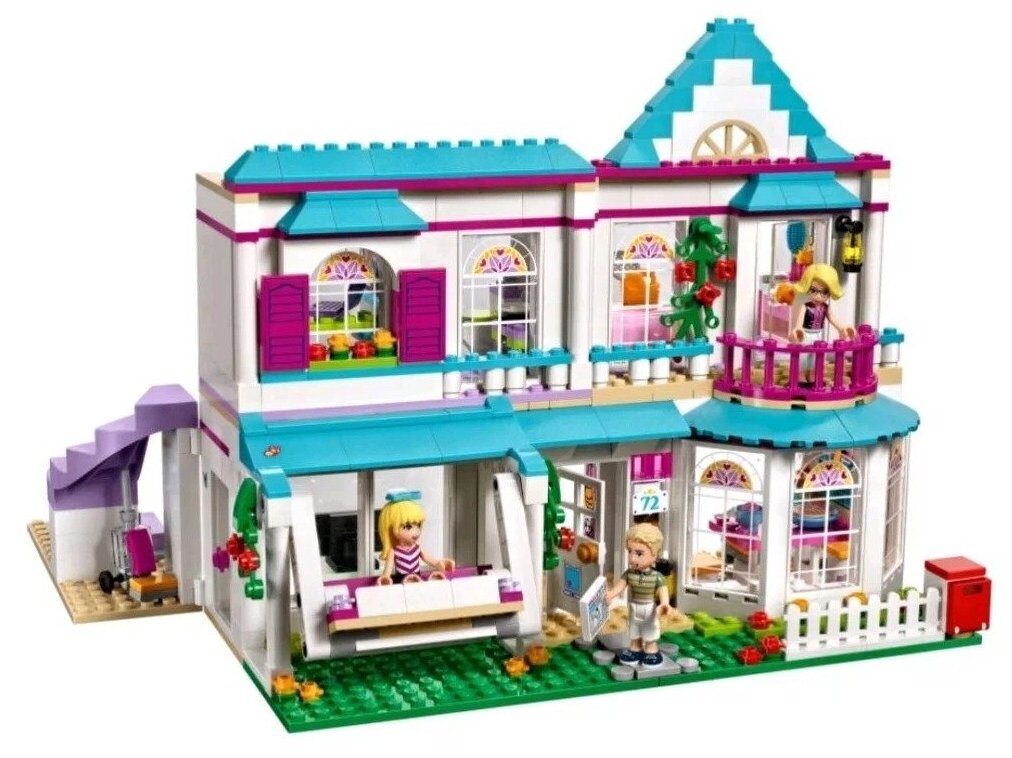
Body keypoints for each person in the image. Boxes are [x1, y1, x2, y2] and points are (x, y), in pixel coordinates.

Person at [604, 523, 671, 667]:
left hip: (649, 608)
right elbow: (620, 587)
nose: (632, 558)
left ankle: (651, 650)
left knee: (650, 629)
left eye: (639, 553)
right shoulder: (629, 574)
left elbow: (663, 592)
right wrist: (610, 595)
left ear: (655, 554)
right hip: (634, 606)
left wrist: (664, 604)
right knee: (634, 629)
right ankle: (635, 648)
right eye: (630, 551)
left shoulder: (657, 576)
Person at [791, 263, 855, 383]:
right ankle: (801, 374)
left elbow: (833, 318)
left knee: (816, 356)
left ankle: (812, 374)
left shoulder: (826, 307)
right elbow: (799, 321)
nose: (818, 296)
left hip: (818, 334)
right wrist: (798, 329)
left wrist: (842, 327)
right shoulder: (805, 306)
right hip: (805, 334)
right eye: (813, 290)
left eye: (824, 292)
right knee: (803, 355)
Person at [376, 489, 454, 585]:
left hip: (417, 579)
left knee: (433, 578)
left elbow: (430, 559)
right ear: (392, 529)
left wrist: (440, 564)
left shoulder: (417, 548)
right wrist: (386, 577)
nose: (416, 532)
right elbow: (387, 571)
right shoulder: (394, 551)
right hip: (402, 580)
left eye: (418, 525)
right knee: (411, 582)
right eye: (408, 527)